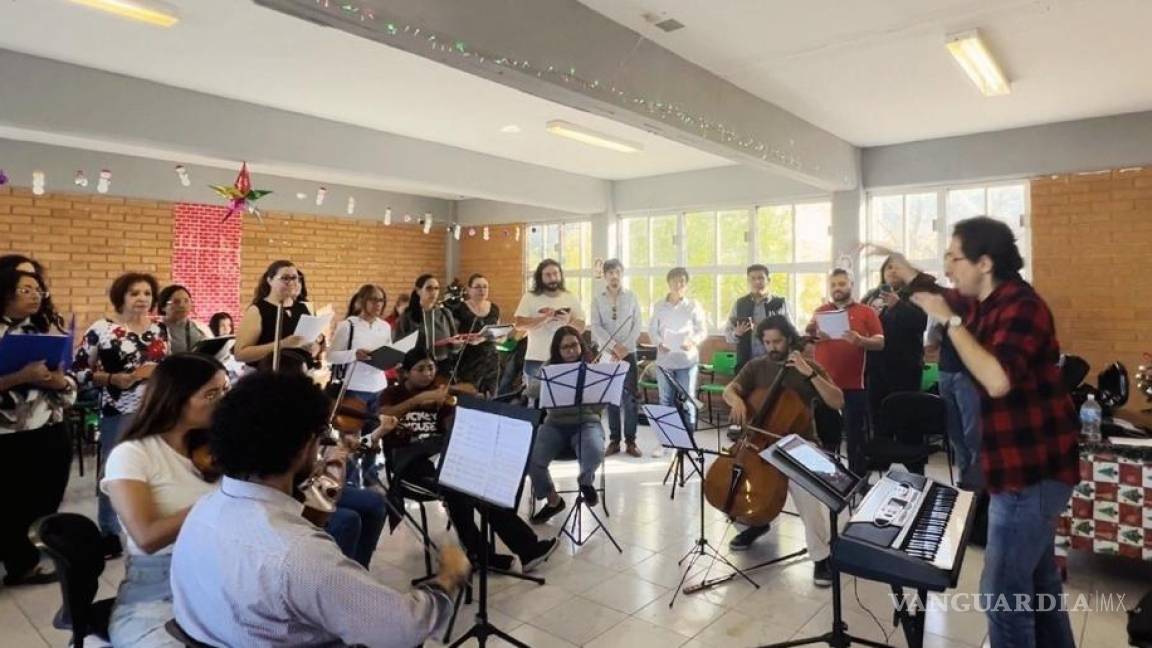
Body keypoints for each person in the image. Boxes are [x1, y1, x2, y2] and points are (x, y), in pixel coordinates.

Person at [868, 217, 1079, 648]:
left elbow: (997, 378)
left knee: (1002, 593)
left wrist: (951, 324)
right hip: (1015, 468)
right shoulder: (982, 298)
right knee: (1038, 588)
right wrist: (900, 265)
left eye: (954, 257)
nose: (947, 266)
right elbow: (936, 292)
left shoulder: (1022, 306)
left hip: (1032, 473)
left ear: (984, 262)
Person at [170, 370, 470, 647]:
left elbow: (298, 532)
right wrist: (447, 578)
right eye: (318, 441)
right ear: (304, 448)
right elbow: (405, 628)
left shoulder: (203, 509)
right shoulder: (299, 556)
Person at [379, 350, 558, 571]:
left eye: (431, 368)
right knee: (456, 489)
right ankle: (481, 555)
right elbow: (384, 415)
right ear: (406, 373)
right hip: (408, 461)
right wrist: (418, 400)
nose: (427, 374)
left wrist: (455, 408)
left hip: (438, 453)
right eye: (421, 369)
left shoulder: (439, 394)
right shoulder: (392, 394)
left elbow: (450, 428)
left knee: (478, 484)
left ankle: (526, 550)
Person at [100, 354, 226, 648]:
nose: (222, 401)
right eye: (211, 394)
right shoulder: (132, 454)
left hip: (221, 576)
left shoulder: (215, 447)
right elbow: (147, 537)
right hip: (158, 587)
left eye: (224, 391)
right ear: (176, 398)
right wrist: (222, 500)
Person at [722, 317, 844, 581]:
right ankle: (757, 522)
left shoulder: (809, 367)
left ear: (789, 338)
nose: (772, 347)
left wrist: (808, 372)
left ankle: (821, 556)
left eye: (777, 341)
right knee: (734, 479)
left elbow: (837, 401)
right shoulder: (757, 366)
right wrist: (736, 401)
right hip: (759, 440)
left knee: (805, 490)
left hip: (799, 442)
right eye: (766, 342)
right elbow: (729, 390)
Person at [74, 272, 169, 556]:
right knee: (114, 469)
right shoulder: (102, 329)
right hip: (118, 409)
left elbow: (168, 368)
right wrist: (114, 378)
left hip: (156, 408)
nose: (142, 299)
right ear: (121, 297)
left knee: (155, 467)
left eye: (147, 294)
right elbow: (78, 372)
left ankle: (149, 522)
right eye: (134, 293)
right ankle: (109, 531)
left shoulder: (158, 330)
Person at [0, 267, 76, 586]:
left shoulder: (46, 329)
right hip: (7, 436)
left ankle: (31, 554)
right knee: (9, 502)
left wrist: (60, 381)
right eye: (25, 290)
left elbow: (69, 380)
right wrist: (21, 378)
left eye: (38, 290)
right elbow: (22, 379)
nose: (35, 296)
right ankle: (19, 562)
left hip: (50, 428)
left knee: (46, 496)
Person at [805, 269, 884, 476]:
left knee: (855, 438)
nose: (837, 288)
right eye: (833, 285)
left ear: (851, 284)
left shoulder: (867, 311)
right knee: (827, 438)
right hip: (825, 385)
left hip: (854, 385)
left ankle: (857, 481)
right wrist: (813, 335)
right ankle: (830, 480)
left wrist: (861, 340)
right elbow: (809, 337)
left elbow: (880, 342)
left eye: (841, 284)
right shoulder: (820, 311)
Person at [525, 327, 607, 523]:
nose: (571, 350)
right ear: (557, 350)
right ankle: (553, 500)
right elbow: (531, 390)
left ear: (581, 344)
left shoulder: (591, 366)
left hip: (586, 423)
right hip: (555, 424)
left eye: (574, 345)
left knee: (595, 450)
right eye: (565, 347)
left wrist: (595, 390)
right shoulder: (550, 365)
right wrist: (554, 381)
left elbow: (599, 405)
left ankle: (586, 483)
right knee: (531, 458)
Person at [328, 284, 392, 486]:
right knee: (351, 438)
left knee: (373, 436)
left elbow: (388, 351)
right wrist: (353, 354)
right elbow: (330, 356)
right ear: (362, 301)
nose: (378, 304)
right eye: (373, 299)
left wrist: (393, 359)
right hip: (354, 387)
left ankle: (370, 475)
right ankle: (351, 480)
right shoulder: (349, 325)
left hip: (378, 386)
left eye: (381, 300)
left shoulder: (384, 326)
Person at [862, 258, 928, 435]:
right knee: (876, 417)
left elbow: (920, 323)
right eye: (889, 268)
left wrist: (897, 305)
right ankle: (880, 458)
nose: (892, 271)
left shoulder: (916, 295)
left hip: (905, 368)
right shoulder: (871, 296)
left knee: (906, 418)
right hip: (875, 367)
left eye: (898, 268)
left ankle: (913, 461)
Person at [648, 267, 708, 456]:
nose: (678, 284)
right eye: (675, 280)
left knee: (688, 399)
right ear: (669, 283)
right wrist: (659, 343)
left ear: (686, 284)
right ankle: (666, 442)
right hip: (665, 360)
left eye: (682, 281)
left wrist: (692, 341)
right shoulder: (659, 305)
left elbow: (702, 330)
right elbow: (652, 330)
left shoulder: (693, 305)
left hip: (687, 360)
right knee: (665, 401)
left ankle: (687, 442)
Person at [590, 259, 642, 457]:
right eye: (610, 272)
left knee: (630, 399)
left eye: (617, 272)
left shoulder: (631, 296)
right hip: (607, 354)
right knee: (611, 399)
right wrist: (613, 347)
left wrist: (625, 347)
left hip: (629, 354)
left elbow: (637, 324)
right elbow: (596, 327)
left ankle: (631, 441)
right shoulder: (597, 298)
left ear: (622, 274)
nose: (614, 276)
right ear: (605, 275)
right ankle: (614, 441)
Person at [927, 312, 983, 490]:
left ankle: (978, 480)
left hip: (968, 374)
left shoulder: (979, 307)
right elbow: (932, 341)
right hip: (945, 371)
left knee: (972, 431)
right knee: (954, 431)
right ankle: (965, 477)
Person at [232, 260, 318, 368]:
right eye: (285, 278)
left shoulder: (302, 307)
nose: (291, 282)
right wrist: (282, 344)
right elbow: (240, 354)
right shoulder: (258, 310)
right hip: (266, 376)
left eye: (295, 278)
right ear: (270, 280)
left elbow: (307, 342)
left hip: (299, 374)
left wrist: (314, 347)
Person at [513, 259, 586, 386]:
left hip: (565, 359)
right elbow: (519, 324)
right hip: (536, 358)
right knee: (534, 399)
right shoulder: (529, 297)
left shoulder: (570, 297)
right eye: (548, 275)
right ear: (540, 277)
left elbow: (581, 327)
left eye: (555, 274)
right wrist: (544, 319)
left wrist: (568, 322)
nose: (552, 278)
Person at [724, 264, 791, 372]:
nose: (757, 282)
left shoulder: (780, 303)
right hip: (747, 363)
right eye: (753, 279)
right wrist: (736, 333)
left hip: (775, 362)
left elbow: (791, 332)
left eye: (760, 278)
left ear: (768, 280)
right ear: (748, 281)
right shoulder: (740, 304)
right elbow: (727, 335)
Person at [394, 274, 462, 376]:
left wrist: (456, 343)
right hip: (417, 370)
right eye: (429, 288)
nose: (433, 292)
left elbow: (456, 344)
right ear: (418, 290)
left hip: (442, 368)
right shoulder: (408, 316)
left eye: (436, 288)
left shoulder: (445, 313)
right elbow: (398, 346)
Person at [450, 273, 504, 396]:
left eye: (485, 287)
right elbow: (453, 335)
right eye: (478, 287)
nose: (482, 290)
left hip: (491, 359)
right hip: (468, 359)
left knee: (490, 397)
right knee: (469, 397)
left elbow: (499, 334)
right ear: (469, 289)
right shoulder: (459, 309)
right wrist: (466, 340)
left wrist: (501, 337)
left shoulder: (494, 308)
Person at [157, 285, 207, 354]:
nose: (182, 305)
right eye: (176, 302)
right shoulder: (157, 330)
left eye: (186, 301)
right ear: (163, 307)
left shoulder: (200, 327)